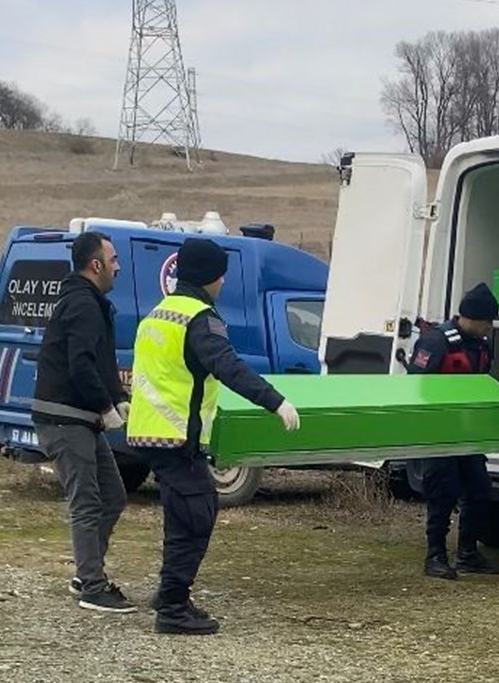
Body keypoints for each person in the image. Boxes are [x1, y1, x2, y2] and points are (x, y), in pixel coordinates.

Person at [126, 237, 301, 636]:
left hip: (146, 431)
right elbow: (227, 365)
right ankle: (172, 607)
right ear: (211, 277)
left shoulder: (158, 313)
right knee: (197, 514)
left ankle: (170, 594)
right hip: (176, 436)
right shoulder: (200, 318)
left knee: (180, 515)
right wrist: (274, 401)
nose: (223, 281)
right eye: (220, 274)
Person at [31, 231, 135, 613]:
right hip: (65, 419)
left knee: (113, 496)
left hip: (80, 418)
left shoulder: (91, 303)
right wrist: (104, 406)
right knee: (88, 501)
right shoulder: (82, 304)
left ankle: (86, 572)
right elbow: (81, 364)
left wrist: (118, 400)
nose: (118, 267)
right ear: (96, 265)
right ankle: (92, 585)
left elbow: (100, 361)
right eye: (113, 260)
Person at [406, 283, 499, 580]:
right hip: (440, 431)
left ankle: (468, 553)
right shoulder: (436, 342)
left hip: (467, 431)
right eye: (487, 322)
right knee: (442, 493)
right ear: (473, 318)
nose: (490, 328)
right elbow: (415, 385)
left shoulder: (481, 344)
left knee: (479, 490)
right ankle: (435, 555)